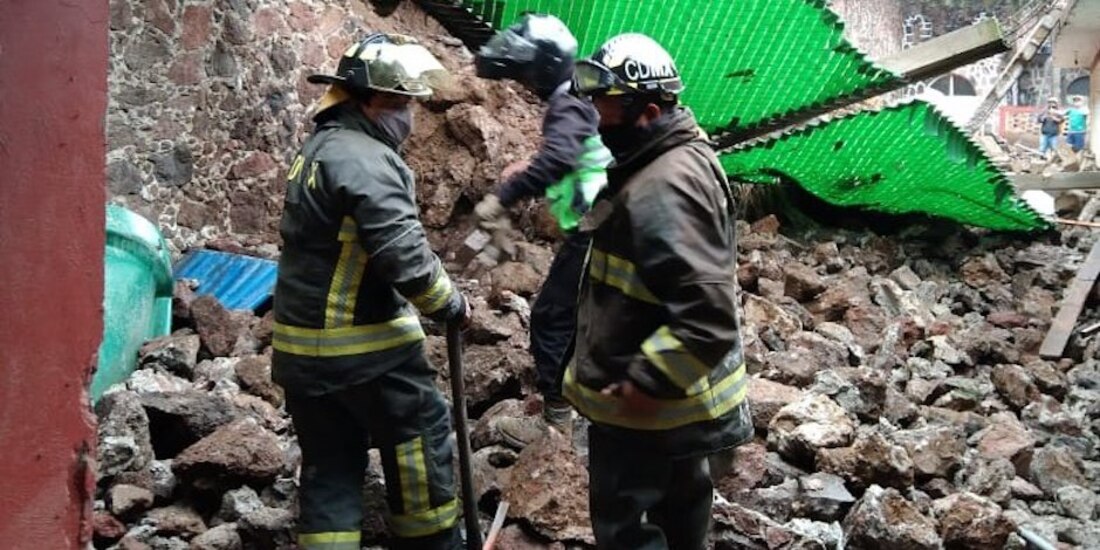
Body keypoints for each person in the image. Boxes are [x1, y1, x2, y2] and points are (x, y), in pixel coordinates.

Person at [272, 33, 468, 550]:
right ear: (366, 98)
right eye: (399, 103)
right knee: (417, 435)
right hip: (363, 351)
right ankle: (433, 543)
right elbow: (404, 255)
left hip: (300, 352)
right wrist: (450, 304)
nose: (408, 115)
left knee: (332, 462)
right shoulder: (367, 160)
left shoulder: (318, 149)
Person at [565, 33, 753, 549]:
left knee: (626, 528)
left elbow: (707, 317)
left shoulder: (665, 186)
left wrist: (645, 384)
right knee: (682, 515)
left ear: (647, 112)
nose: (594, 118)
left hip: (650, 411)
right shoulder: (667, 154)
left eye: (604, 107)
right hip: (679, 407)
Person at [473, 14, 611, 448]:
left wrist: (504, 196)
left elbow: (559, 158)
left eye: (525, 74)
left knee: (551, 319)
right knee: (591, 320)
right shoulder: (583, 95)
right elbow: (572, 151)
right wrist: (532, 165)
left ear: (541, 69)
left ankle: (555, 425)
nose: (523, 83)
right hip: (610, 224)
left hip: (595, 230)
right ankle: (600, 407)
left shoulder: (567, 103)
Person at [1037, 96, 1064, 161]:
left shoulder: (1058, 112)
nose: (1052, 104)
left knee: (1054, 148)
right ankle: (1041, 160)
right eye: (1050, 102)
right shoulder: (1044, 111)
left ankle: (1053, 160)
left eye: (1053, 102)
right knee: (1042, 148)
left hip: (1054, 134)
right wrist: (1043, 118)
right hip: (1045, 133)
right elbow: (1039, 119)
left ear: (1056, 104)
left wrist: (1054, 118)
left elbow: (1061, 120)